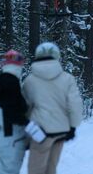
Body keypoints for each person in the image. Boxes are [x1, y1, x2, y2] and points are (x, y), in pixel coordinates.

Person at [23, 42, 83, 174]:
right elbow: (75, 104)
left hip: (39, 132)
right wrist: (73, 127)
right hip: (61, 130)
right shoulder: (67, 78)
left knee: (35, 170)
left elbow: (25, 109)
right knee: (51, 168)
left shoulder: (30, 80)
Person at [0, 50, 28, 174]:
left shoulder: (3, 81)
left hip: (6, 137)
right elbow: (12, 112)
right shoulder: (9, 82)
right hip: (10, 138)